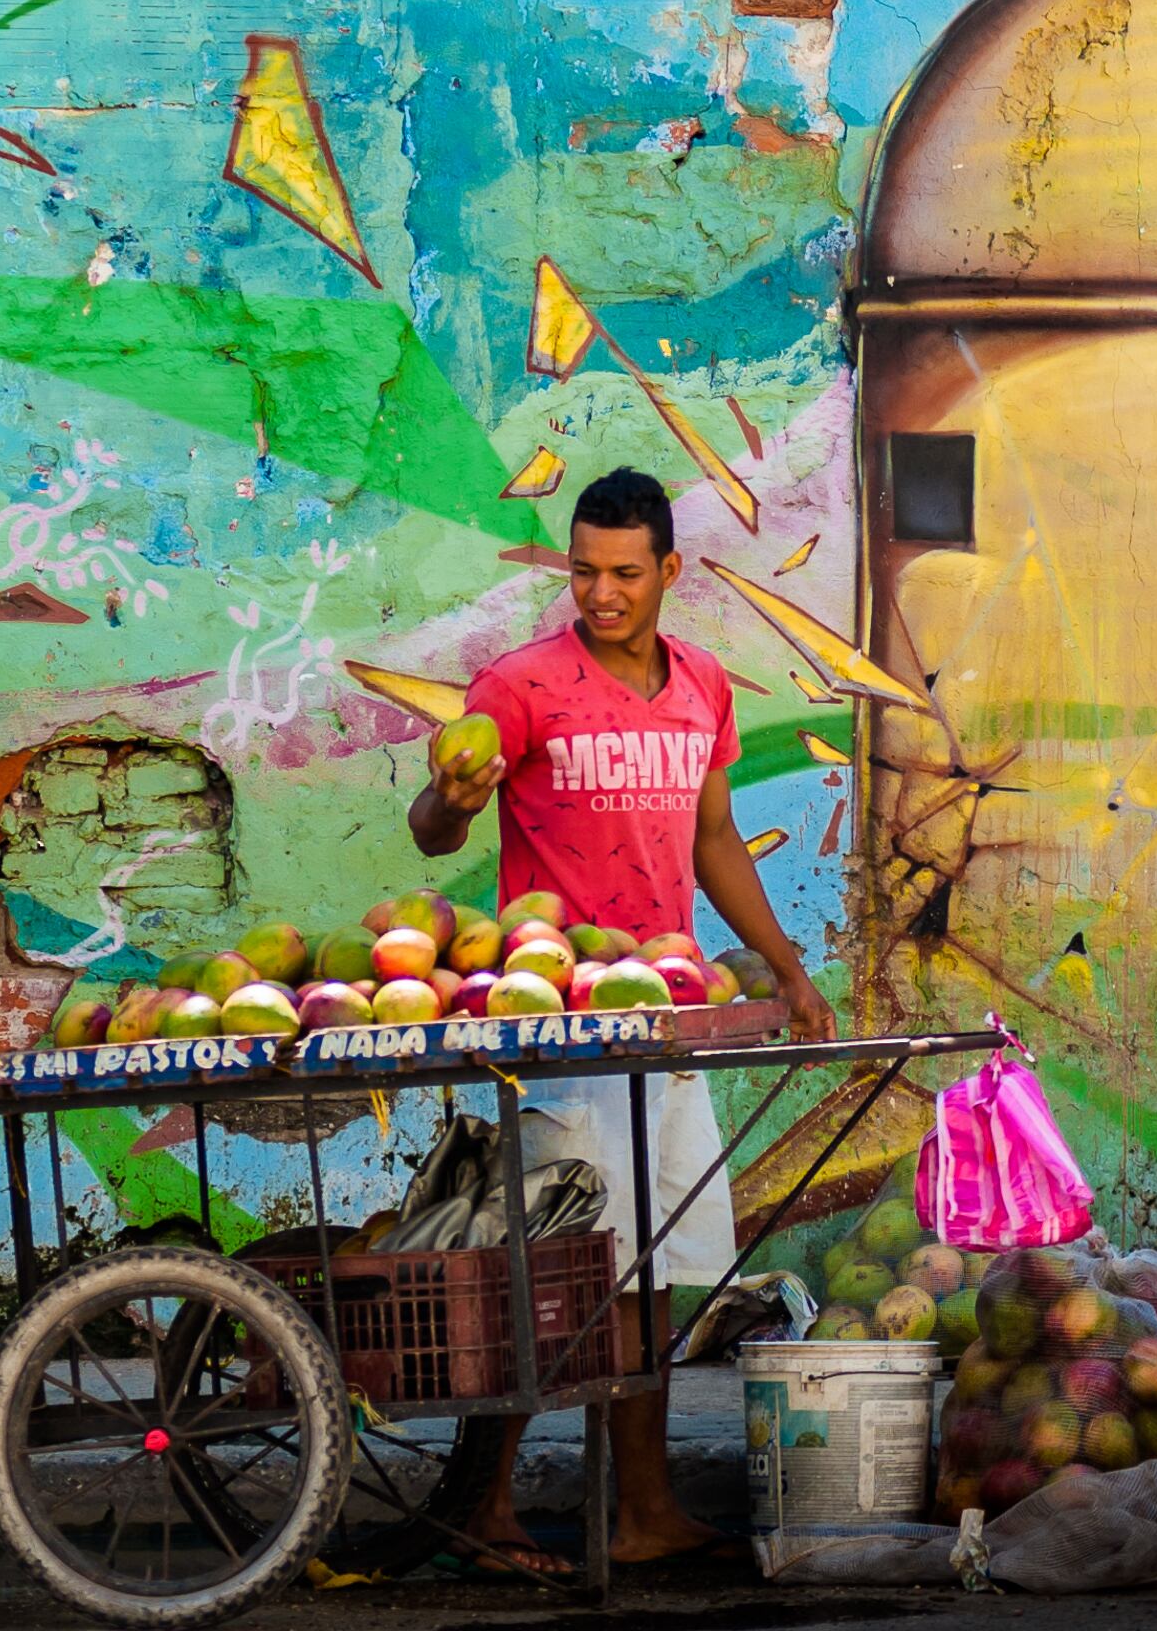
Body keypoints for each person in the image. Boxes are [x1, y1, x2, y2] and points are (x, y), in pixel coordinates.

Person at [412, 466, 833, 1569]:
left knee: (653, 1273)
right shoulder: (517, 685)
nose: (600, 594)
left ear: (666, 574)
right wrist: (450, 800)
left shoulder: (702, 685)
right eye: (584, 571)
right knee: (545, 1272)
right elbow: (432, 831)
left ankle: (641, 1510)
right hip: (555, 1021)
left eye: (624, 574)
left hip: (670, 1011)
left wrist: (787, 970)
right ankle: (483, 1503)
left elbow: (715, 840)